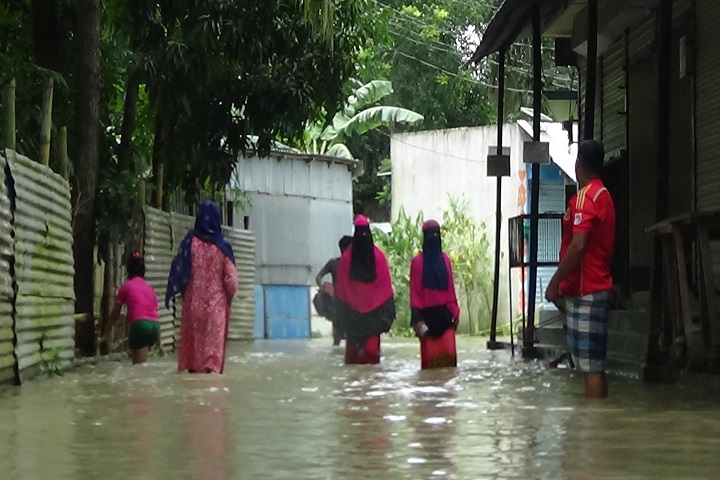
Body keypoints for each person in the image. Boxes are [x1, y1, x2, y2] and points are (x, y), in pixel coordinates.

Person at [545, 139, 616, 399]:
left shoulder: (586, 197)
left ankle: (591, 431)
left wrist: (554, 284)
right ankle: (600, 425)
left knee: (589, 367)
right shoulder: (604, 195)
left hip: (585, 291)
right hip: (597, 287)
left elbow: (578, 245)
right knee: (594, 364)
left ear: (579, 164)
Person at [166, 201, 238, 374]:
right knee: (211, 368)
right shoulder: (223, 247)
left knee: (192, 365)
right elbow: (232, 283)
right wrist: (228, 300)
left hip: (192, 311)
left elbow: (179, 271)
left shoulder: (189, 243)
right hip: (215, 313)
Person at [334, 216, 395, 364]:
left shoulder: (347, 259)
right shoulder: (378, 257)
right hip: (371, 322)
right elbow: (386, 292)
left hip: (354, 323)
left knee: (355, 367)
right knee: (370, 367)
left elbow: (340, 295)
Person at [409, 220, 460, 370]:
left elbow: (450, 290)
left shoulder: (445, 261)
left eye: (436, 233)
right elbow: (415, 292)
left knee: (449, 365)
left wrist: (455, 314)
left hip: (446, 319)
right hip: (426, 320)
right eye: (430, 234)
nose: (434, 237)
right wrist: (417, 320)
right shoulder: (417, 263)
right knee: (430, 366)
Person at [100, 252, 164, 364]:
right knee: (143, 368)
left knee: (138, 371)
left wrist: (105, 334)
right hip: (155, 328)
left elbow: (115, 314)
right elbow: (154, 315)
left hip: (140, 326)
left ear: (128, 269)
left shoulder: (126, 286)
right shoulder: (149, 288)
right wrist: (159, 344)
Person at [314, 235, 353, 346]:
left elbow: (318, 277)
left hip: (338, 303)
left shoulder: (333, 263)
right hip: (349, 304)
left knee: (337, 339)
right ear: (347, 247)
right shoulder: (352, 264)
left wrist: (322, 288)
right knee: (350, 338)